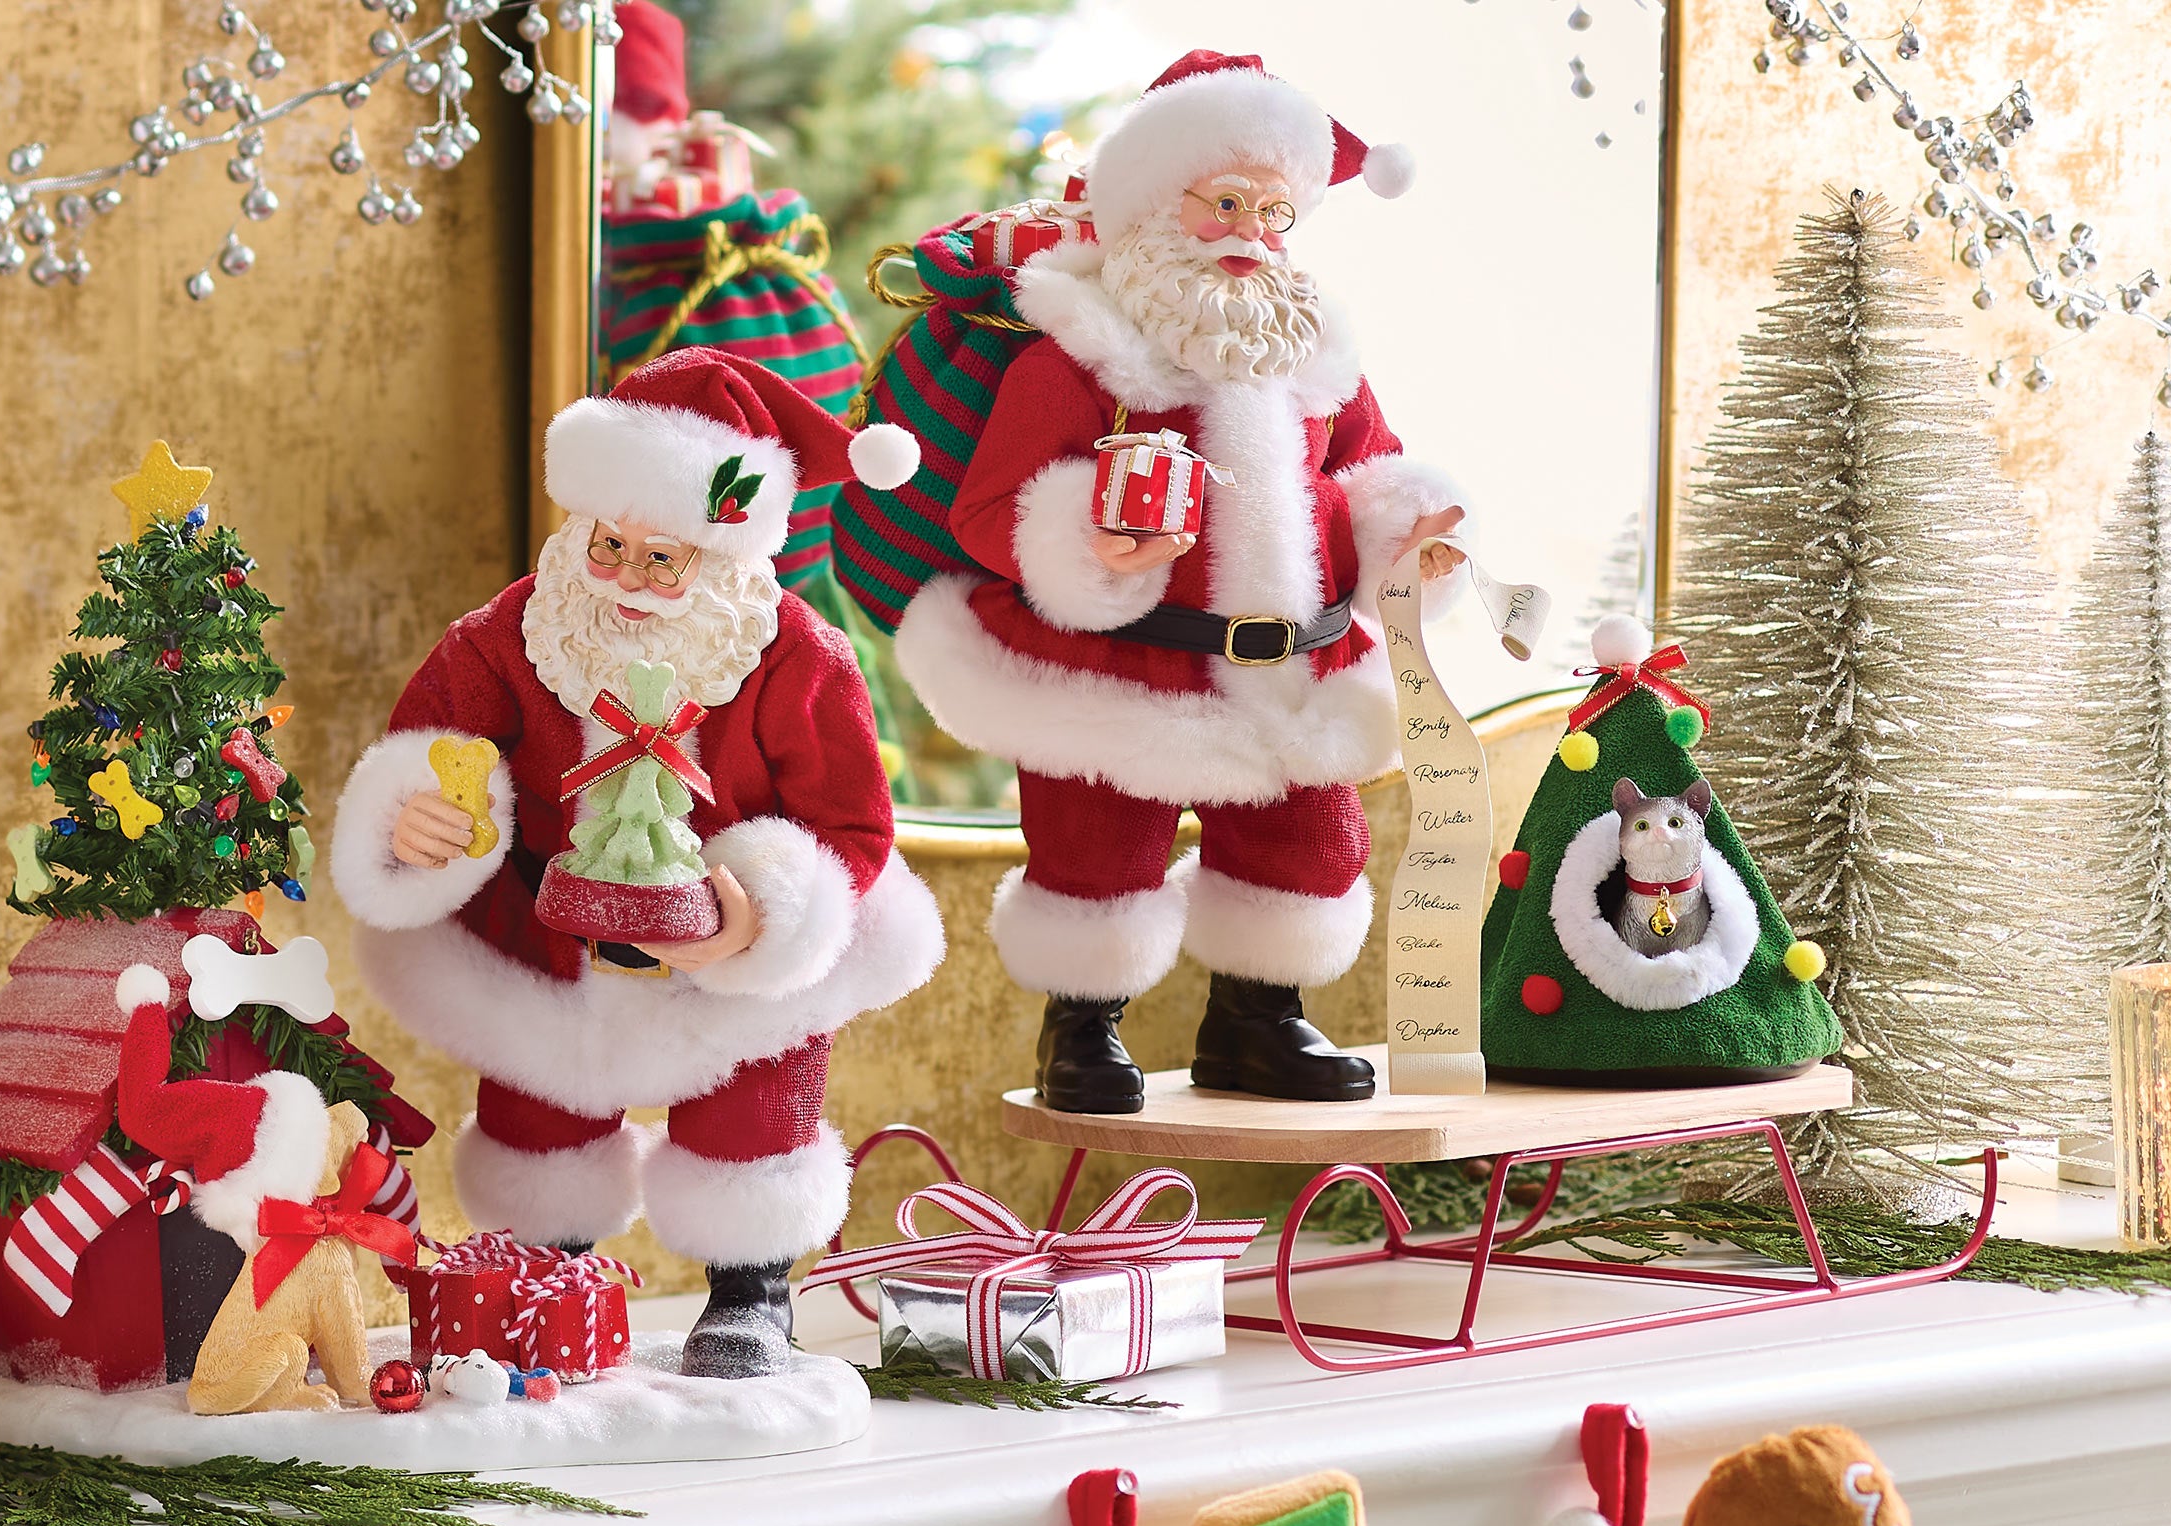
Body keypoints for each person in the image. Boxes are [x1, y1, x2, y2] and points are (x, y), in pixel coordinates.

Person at [330, 348, 940, 1378]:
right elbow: (430, 749)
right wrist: (416, 821)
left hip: (728, 946)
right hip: (549, 932)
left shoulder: (801, 658)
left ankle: (751, 1290)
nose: (625, 579)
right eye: (609, 544)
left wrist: (762, 914)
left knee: (754, 1111)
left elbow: (851, 825)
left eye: (665, 560)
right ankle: (547, 1270)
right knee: (541, 1117)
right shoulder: (511, 636)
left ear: (731, 547)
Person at [892, 50, 1477, 1115]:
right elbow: (989, 511)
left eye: (1275, 210)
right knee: (1094, 853)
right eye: (1226, 202)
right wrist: (1083, 546)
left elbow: (1367, 471)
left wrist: (1411, 533)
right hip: (1123, 656)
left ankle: (1257, 1019)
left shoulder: (1315, 353)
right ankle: (1081, 1026)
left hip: (1287, 663)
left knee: (1300, 847)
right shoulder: (1075, 358)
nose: (1254, 231)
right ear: (1157, 204)